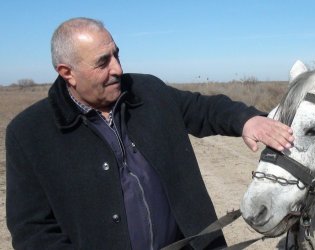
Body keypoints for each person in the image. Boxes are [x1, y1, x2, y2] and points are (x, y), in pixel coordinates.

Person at [5, 17, 294, 250]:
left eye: (116, 54)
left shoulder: (148, 91)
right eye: (102, 62)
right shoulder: (29, 134)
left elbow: (203, 109)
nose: (117, 68)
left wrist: (248, 120)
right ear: (67, 72)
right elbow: (32, 232)